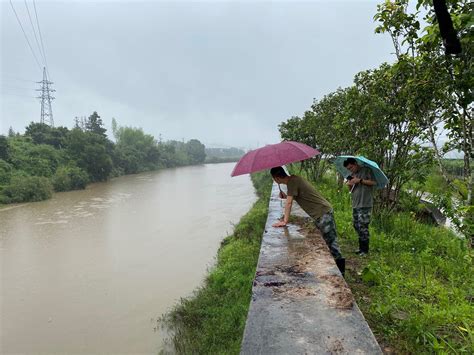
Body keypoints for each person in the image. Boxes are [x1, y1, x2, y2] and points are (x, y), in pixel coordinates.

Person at [270, 166, 345, 276]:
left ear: (276, 178)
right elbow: (299, 196)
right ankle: (338, 271)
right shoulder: (294, 179)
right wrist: (286, 196)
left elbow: (289, 204)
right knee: (328, 242)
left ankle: (342, 273)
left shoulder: (291, 183)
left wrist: (285, 221)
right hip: (321, 212)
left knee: (332, 243)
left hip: (322, 213)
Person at [343, 158, 377, 256]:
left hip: (365, 203)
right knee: (356, 225)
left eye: (351, 167)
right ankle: (361, 248)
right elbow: (351, 190)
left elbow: (373, 183)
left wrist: (360, 180)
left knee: (363, 226)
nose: (350, 170)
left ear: (355, 163)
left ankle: (364, 250)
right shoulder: (352, 175)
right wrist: (349, 184)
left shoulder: (366, 170)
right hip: (356, 203)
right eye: (348, 169)